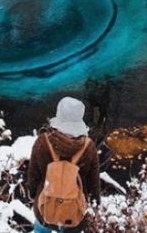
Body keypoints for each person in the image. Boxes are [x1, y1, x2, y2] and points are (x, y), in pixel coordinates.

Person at [28, 97, 101, 233]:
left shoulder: (43, 141)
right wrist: (96, 202)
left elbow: (33, 174)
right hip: (74, 210)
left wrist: (33, 194)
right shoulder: (88, 146)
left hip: (45, 205)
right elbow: (94, 181)